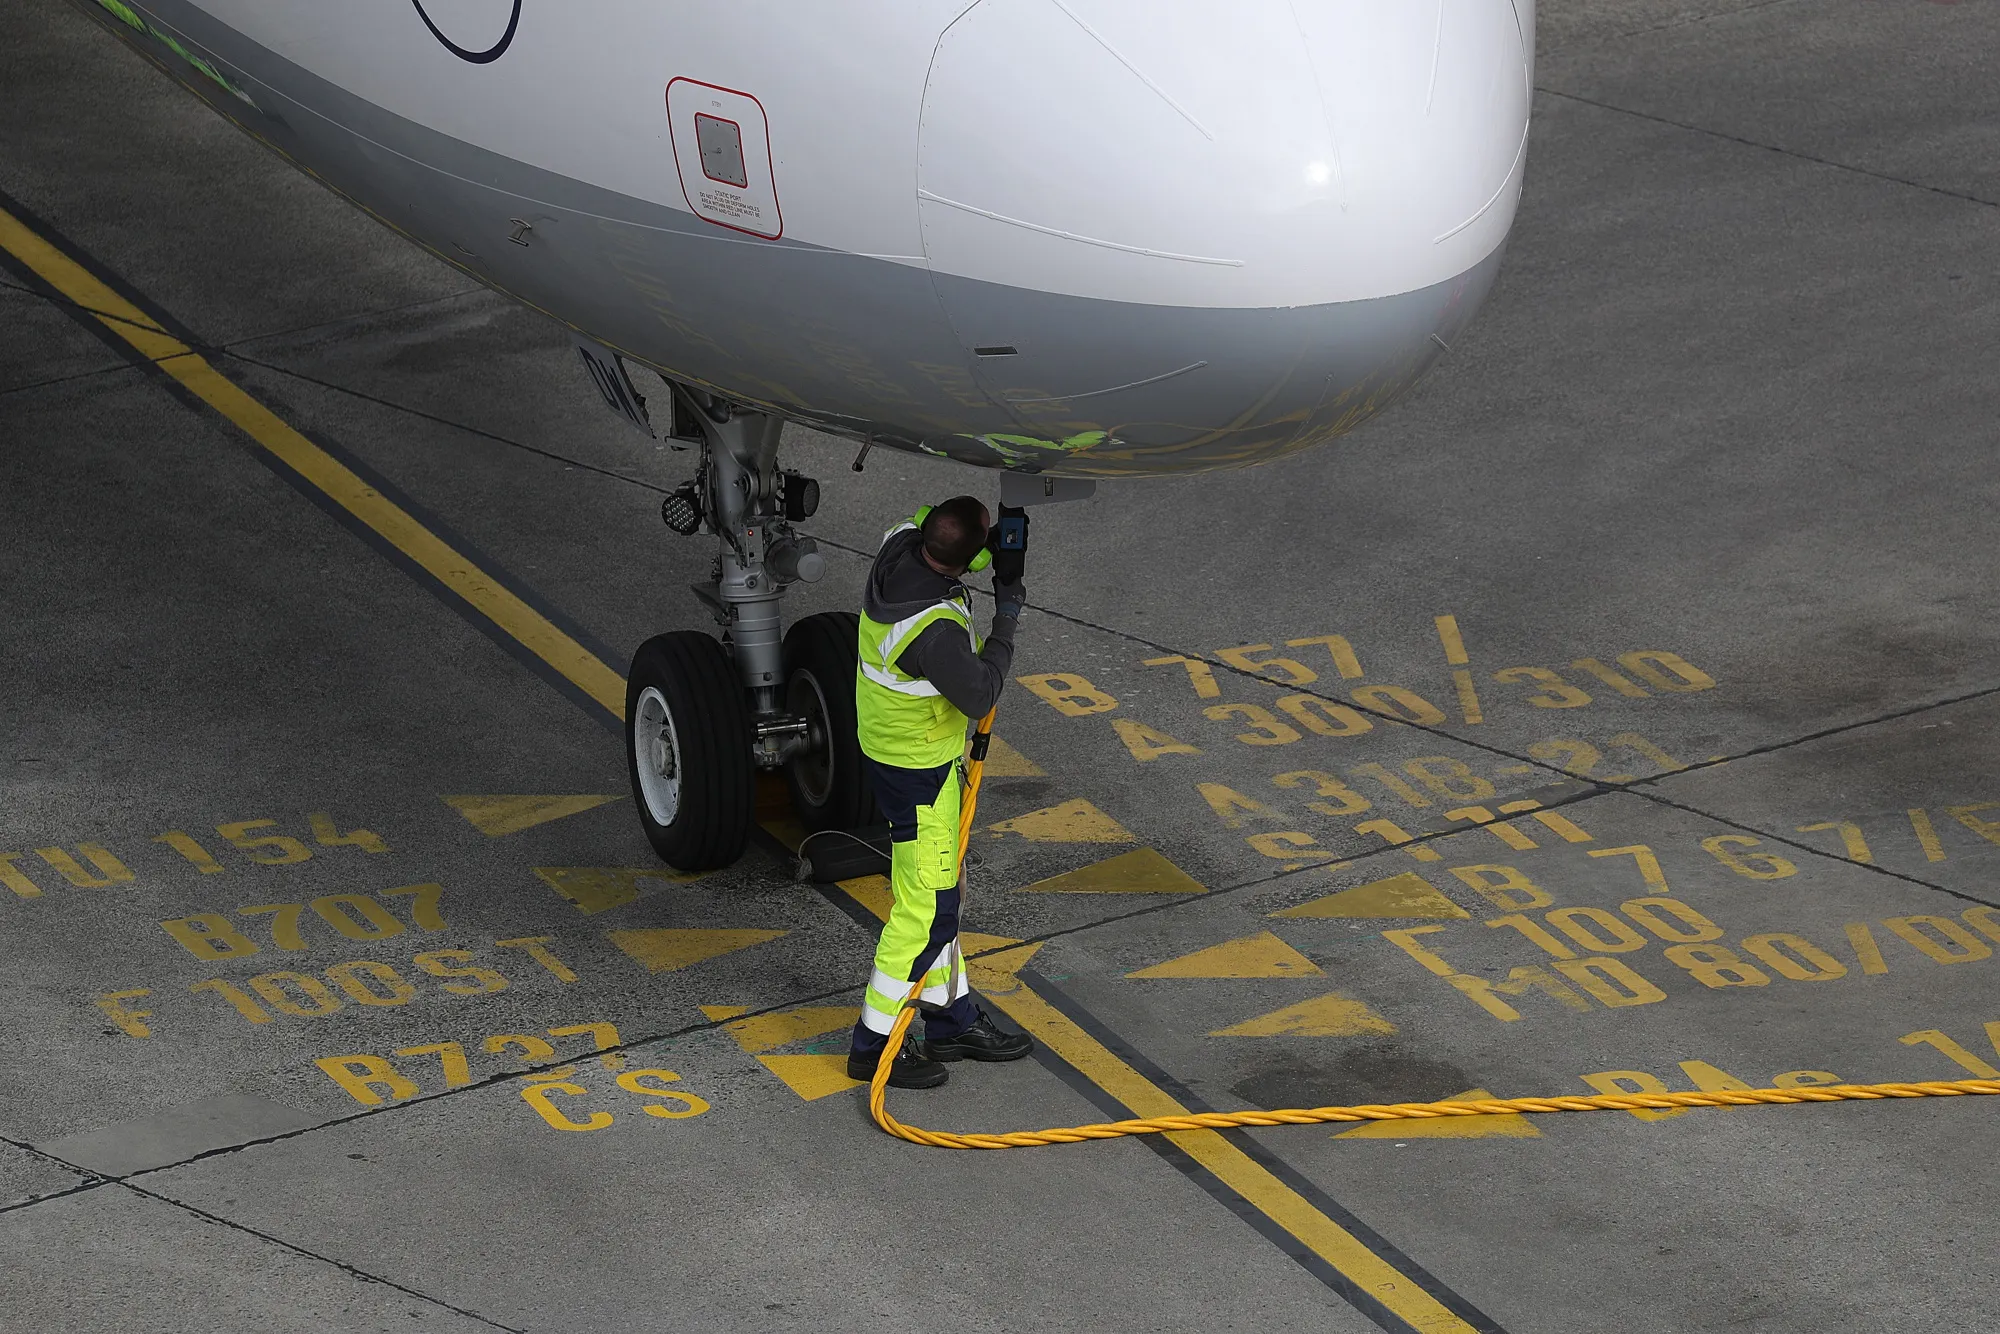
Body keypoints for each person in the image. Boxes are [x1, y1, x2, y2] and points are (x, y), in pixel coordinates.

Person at [846, 495, 1035, 1088]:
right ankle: (872, 1047)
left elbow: (934, 521)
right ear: (972, 559)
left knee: (937, 890)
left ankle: (951, 1020)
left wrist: (991, 544)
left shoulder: (898, 543)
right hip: (920, 769)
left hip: (899, 751)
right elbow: (980, 694)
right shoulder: (935, 631)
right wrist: (1006, 614)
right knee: (927, 914)